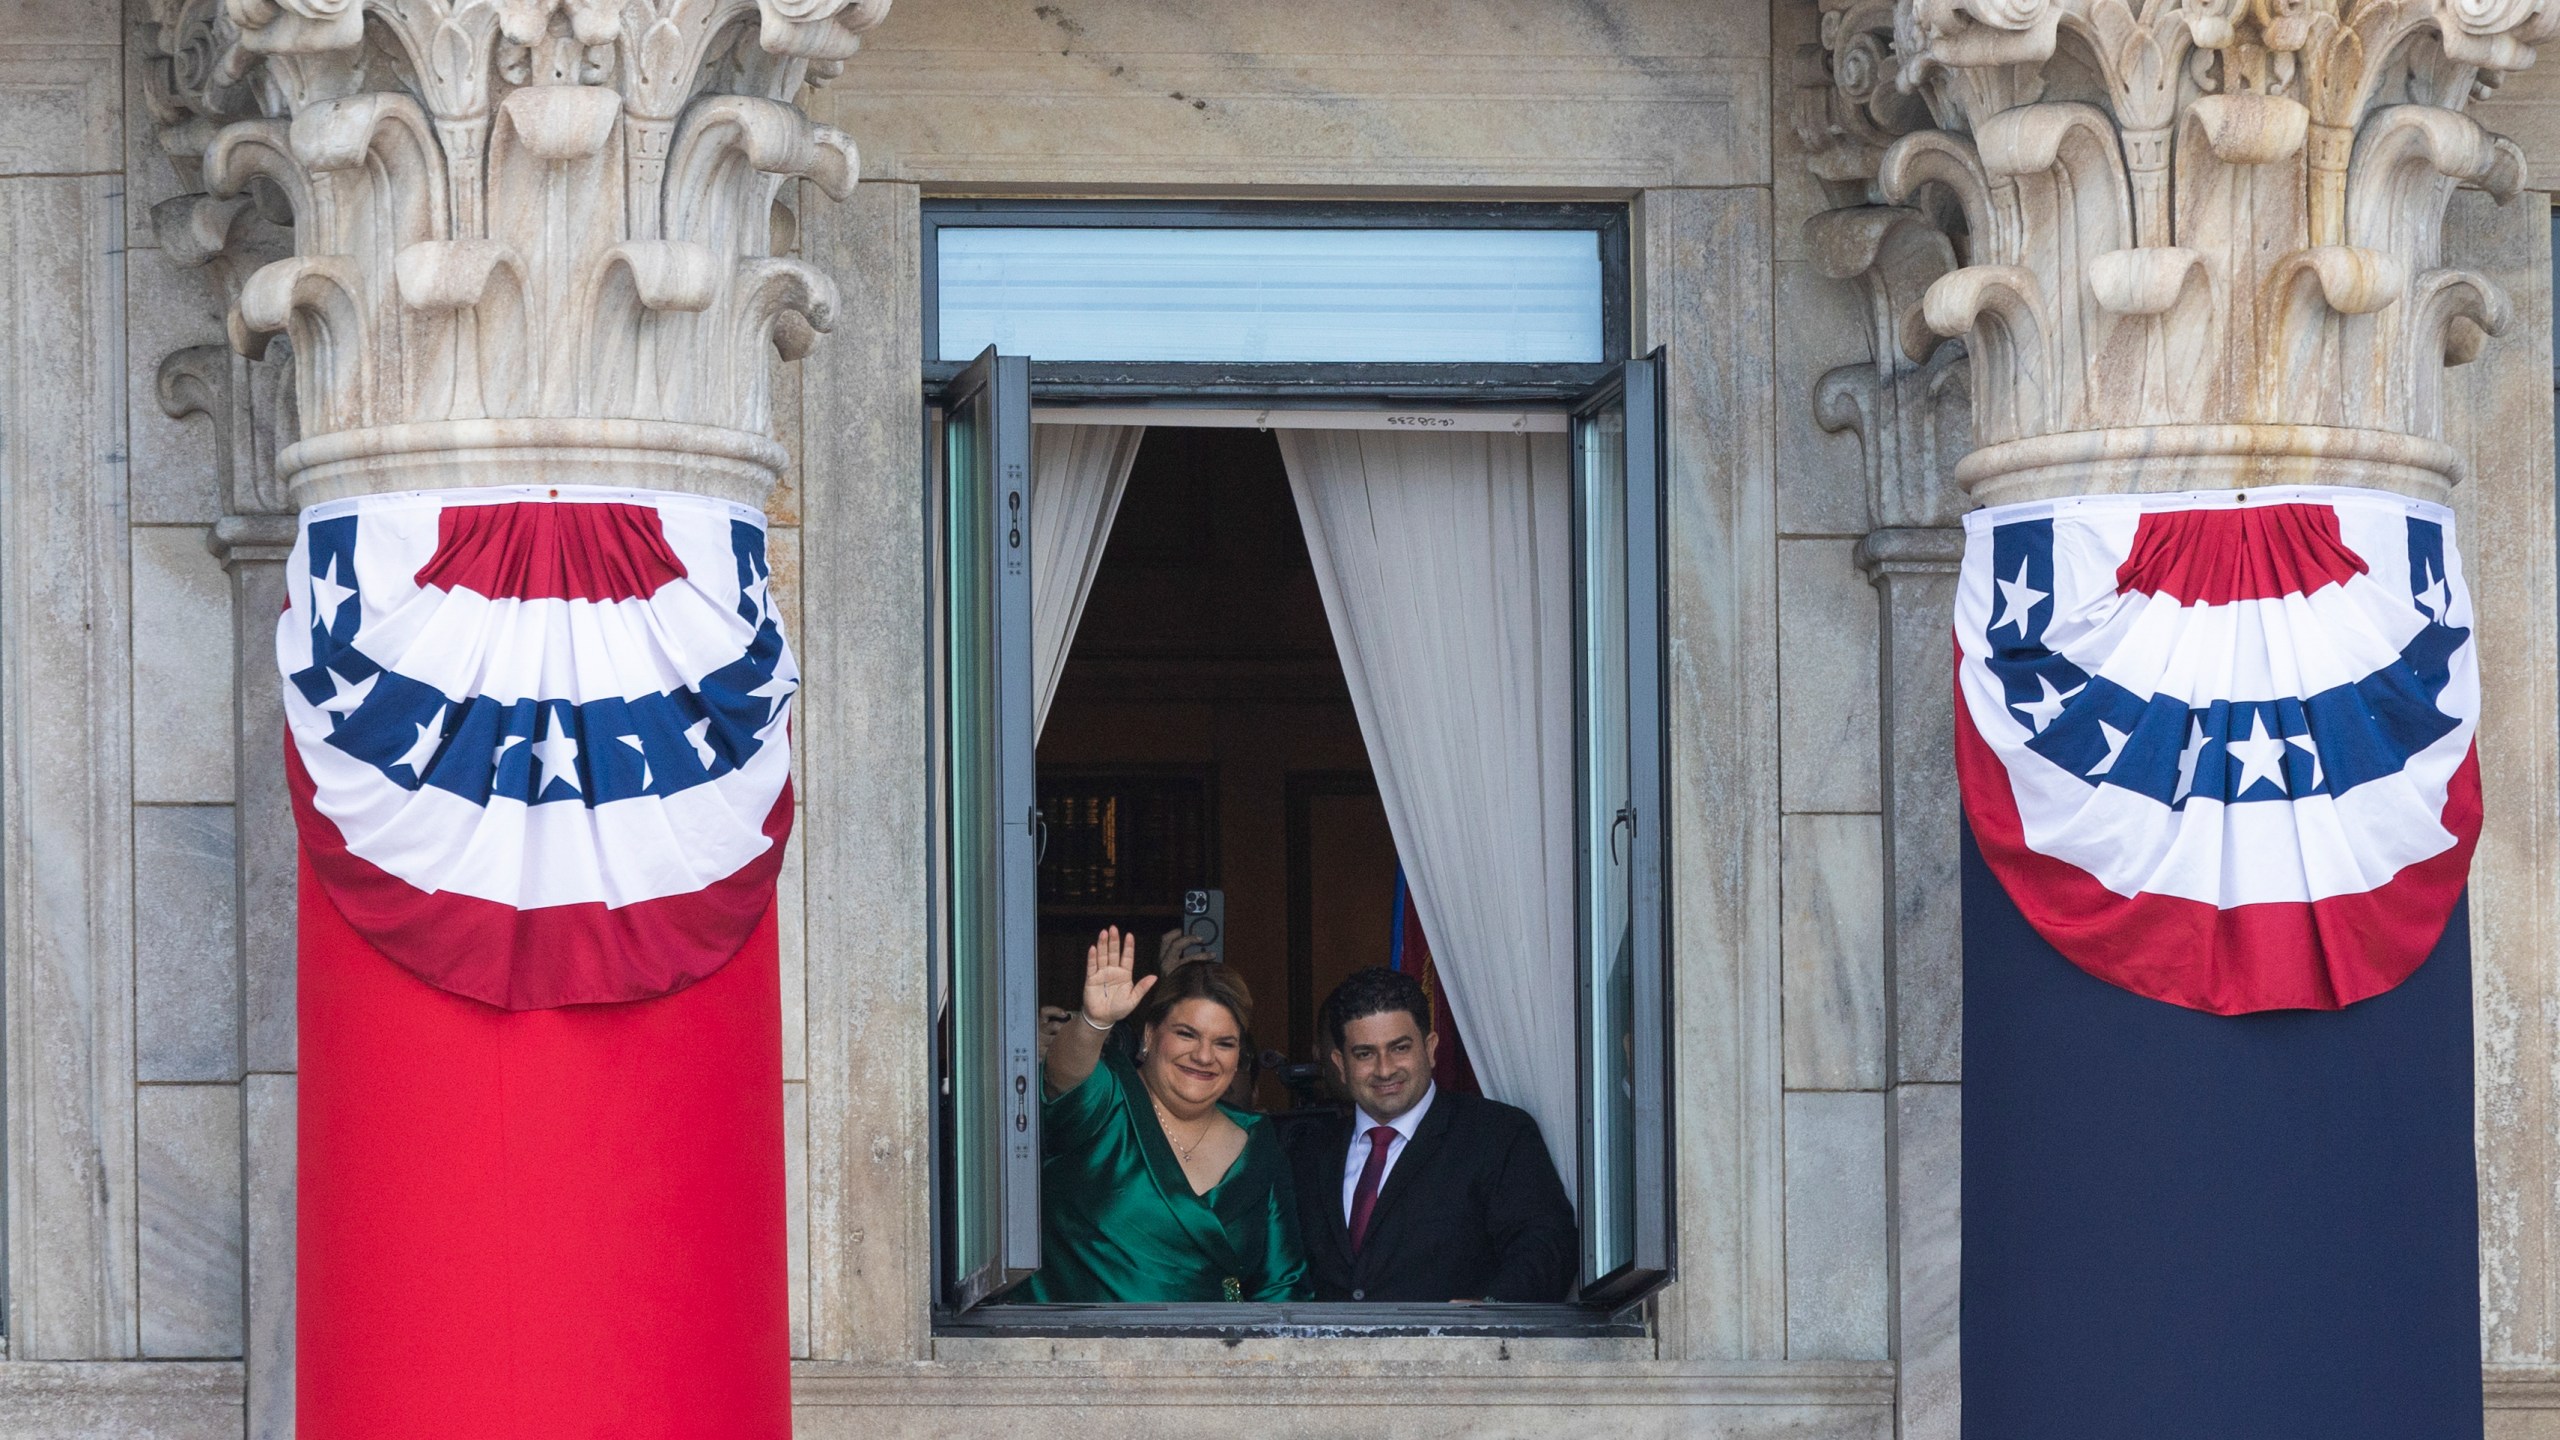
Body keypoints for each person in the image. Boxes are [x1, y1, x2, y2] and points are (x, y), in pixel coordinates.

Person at [1016, 927, 1311, 1303]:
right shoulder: (1109, 1099)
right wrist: (1093, 1023)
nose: (1205, 1056)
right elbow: (1063, 1078)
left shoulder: (1256, 1141)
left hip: (1220, 1356)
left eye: (1224, 1043)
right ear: (1150, 1035)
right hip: (1083, 1354)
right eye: (1187, 1034)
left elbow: (1283, 1283)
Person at [1286, 967, 1577, 1303]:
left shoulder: (1496, 1135)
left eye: (1399, 1048)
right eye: (1365, 1053)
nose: (1384, 1069)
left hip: (1458, 1352)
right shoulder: (1308, 1155)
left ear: (1431, 1048)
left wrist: (1491, 1311)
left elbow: (1546, 1243)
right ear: (1340, 1064)